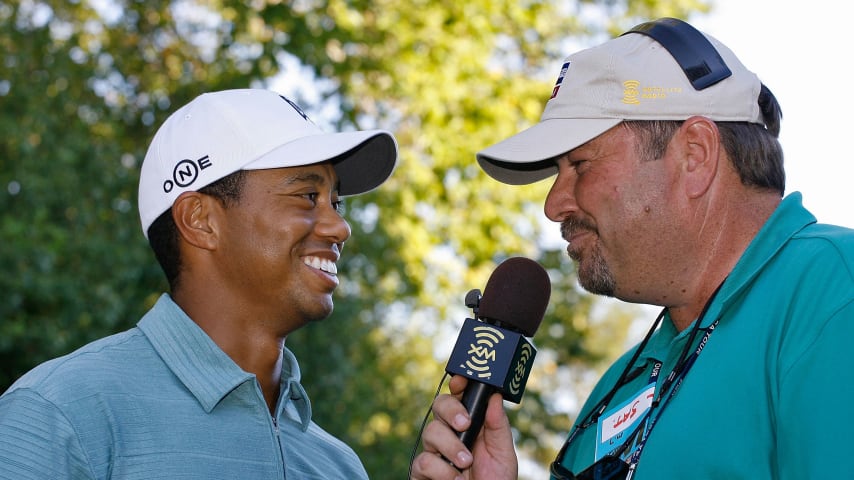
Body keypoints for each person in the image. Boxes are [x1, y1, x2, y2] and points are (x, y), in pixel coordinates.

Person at [411, 17, 854, 480]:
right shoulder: (623, 381)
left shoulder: (833, 293)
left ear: (695, 155)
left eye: (580, 163)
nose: (553, 204)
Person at [0, 88, 398, 479]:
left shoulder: (339, 466)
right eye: (308, 195)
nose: (340, 227)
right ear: (200, 220)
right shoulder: (60, 415)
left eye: (337, 203)